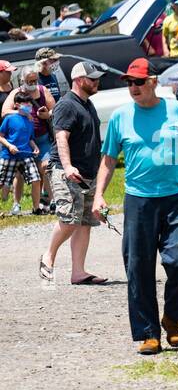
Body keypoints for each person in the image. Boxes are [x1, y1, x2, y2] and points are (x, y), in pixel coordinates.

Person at [93, 58, 178, 355]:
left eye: (138, 82)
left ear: (153, 82)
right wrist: (99, 195)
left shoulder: (177, 111)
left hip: (176, 197)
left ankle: (172, 317)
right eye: (129, 82)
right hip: (139, 201)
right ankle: (149, 333)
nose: (133, 87)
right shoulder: (120, 117)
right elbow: (108, 159)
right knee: (138, 268)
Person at [41, 62, 106, 284]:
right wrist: (68, 167)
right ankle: (48, 256)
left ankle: (78, 272)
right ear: (79, 80)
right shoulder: (67, 105)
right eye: (92, 78)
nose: (97, 82)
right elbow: (61, 137)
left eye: (97, 78)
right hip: (66, 171)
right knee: (69, 219)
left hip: (87, 173)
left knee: (85, 222)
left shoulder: (88, 104)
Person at [4, 63, 57, 211]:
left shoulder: (43, 90)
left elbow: (55, 110)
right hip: (23, 141)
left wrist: (46, 115)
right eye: (29, 81)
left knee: (46, 167)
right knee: (19, 174)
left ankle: (52, 201)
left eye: (35, 80)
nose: (33, 84)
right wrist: (22, 112)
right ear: (22, 80)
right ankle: (16, 204)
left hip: (42, 138)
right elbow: (5, 111)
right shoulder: (16, 93)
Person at [0, 88, 42, 216]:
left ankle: (36, 208)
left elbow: (30, 138)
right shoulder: (10, 118)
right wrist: (9, 146)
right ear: (17, 105)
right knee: (2, 182)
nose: (29, 106)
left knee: (36, 179)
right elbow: (1, 136)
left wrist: (35, 147)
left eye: (30, 103)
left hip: (26, 155)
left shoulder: (30, 120)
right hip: (8, 156)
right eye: (26, 103)